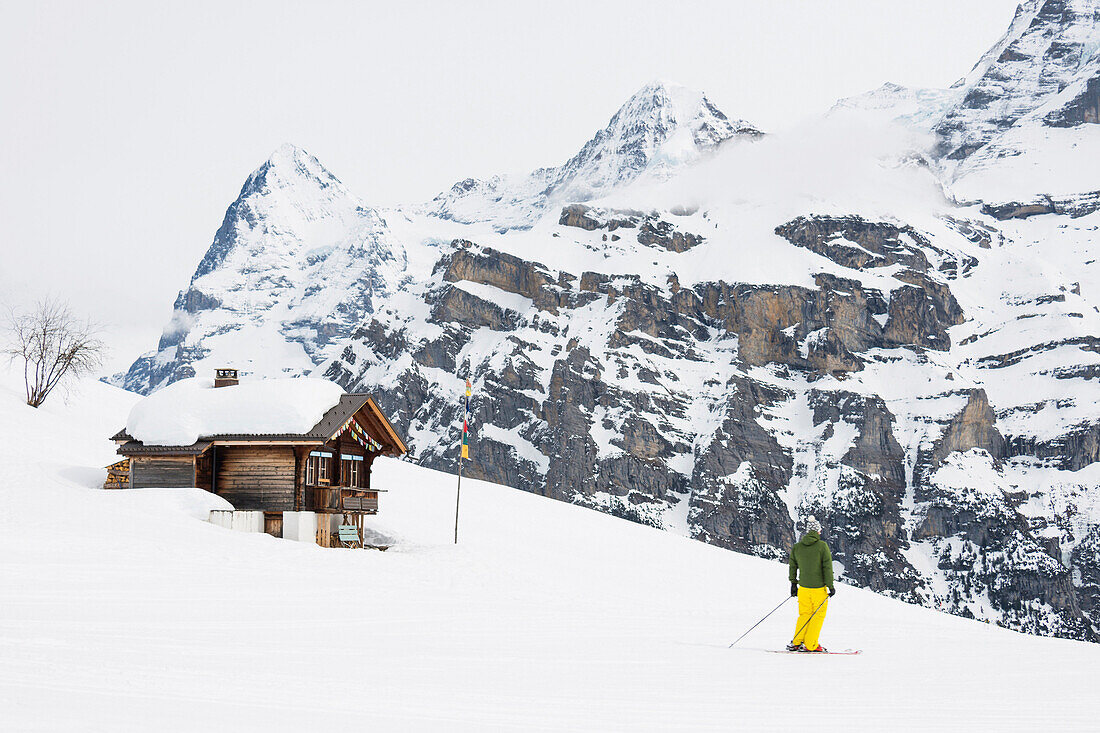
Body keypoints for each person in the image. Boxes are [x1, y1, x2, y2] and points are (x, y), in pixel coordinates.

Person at [786, 516, 835, 652]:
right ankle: (810, 644)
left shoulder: (797, 547)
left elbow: (792, 566)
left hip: (803, 589)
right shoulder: (822, 546)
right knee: (818, 615)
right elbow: (827, 567)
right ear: (818, 531)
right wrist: (830, 586)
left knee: (805, 614)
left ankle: (796, 642)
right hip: (818, 589)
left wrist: (793, 584)